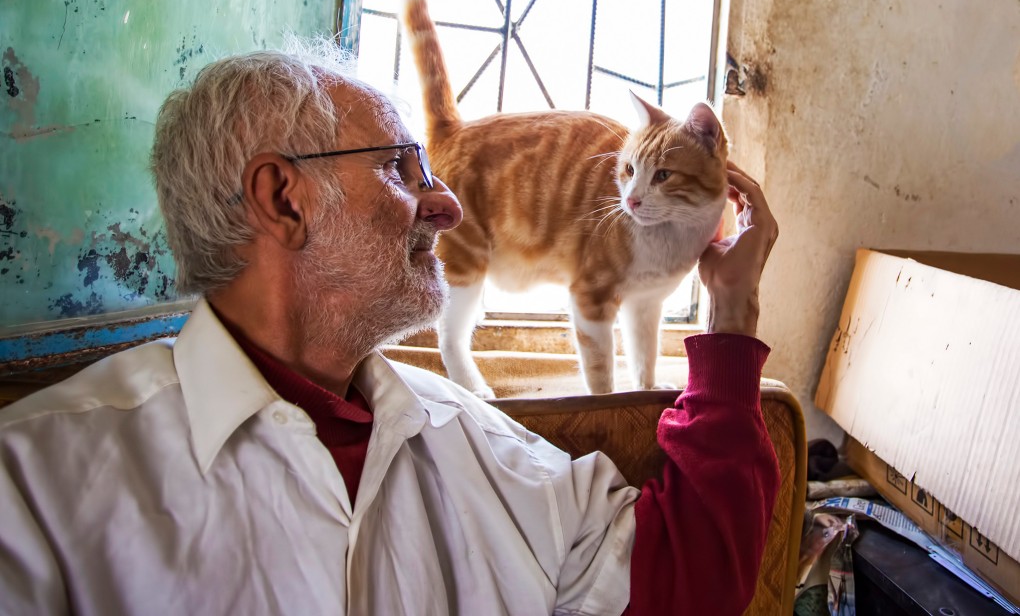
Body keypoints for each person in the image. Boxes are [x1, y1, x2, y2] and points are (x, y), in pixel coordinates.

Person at [0, 42, 780, 616]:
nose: (449, 207)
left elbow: (687, 582)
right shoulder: (33, 488)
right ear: (283, 199)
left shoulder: (474, 442)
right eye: (402, 170)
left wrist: (732, 311)